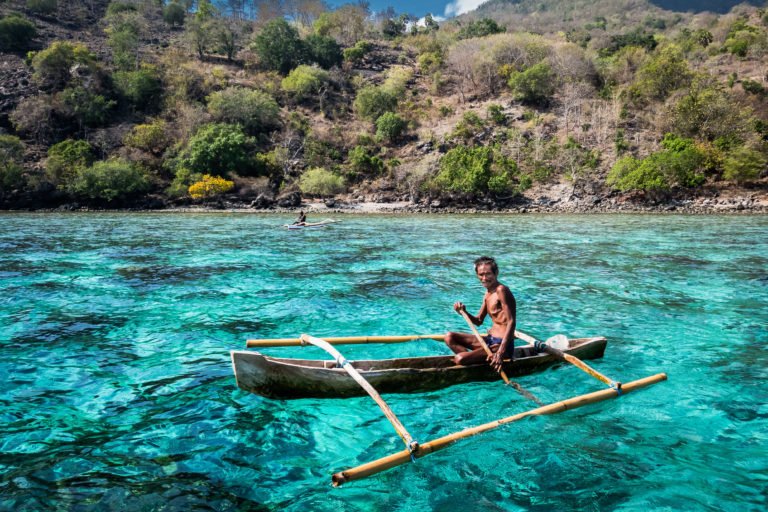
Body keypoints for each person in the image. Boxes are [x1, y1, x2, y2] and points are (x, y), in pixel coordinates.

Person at [444, 256, 517, 372]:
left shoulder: (501, 290)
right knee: (449, 337)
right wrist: (463, 312)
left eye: (488, 274)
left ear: (496, 273)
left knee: (459, 359)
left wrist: (501, 352)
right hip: (489, 340)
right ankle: (476, 360)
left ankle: (473, 360)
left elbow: (511, 322)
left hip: (502, 345)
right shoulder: (488, 293)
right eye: (480, 275)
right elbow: (478, 321)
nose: (484, 278)